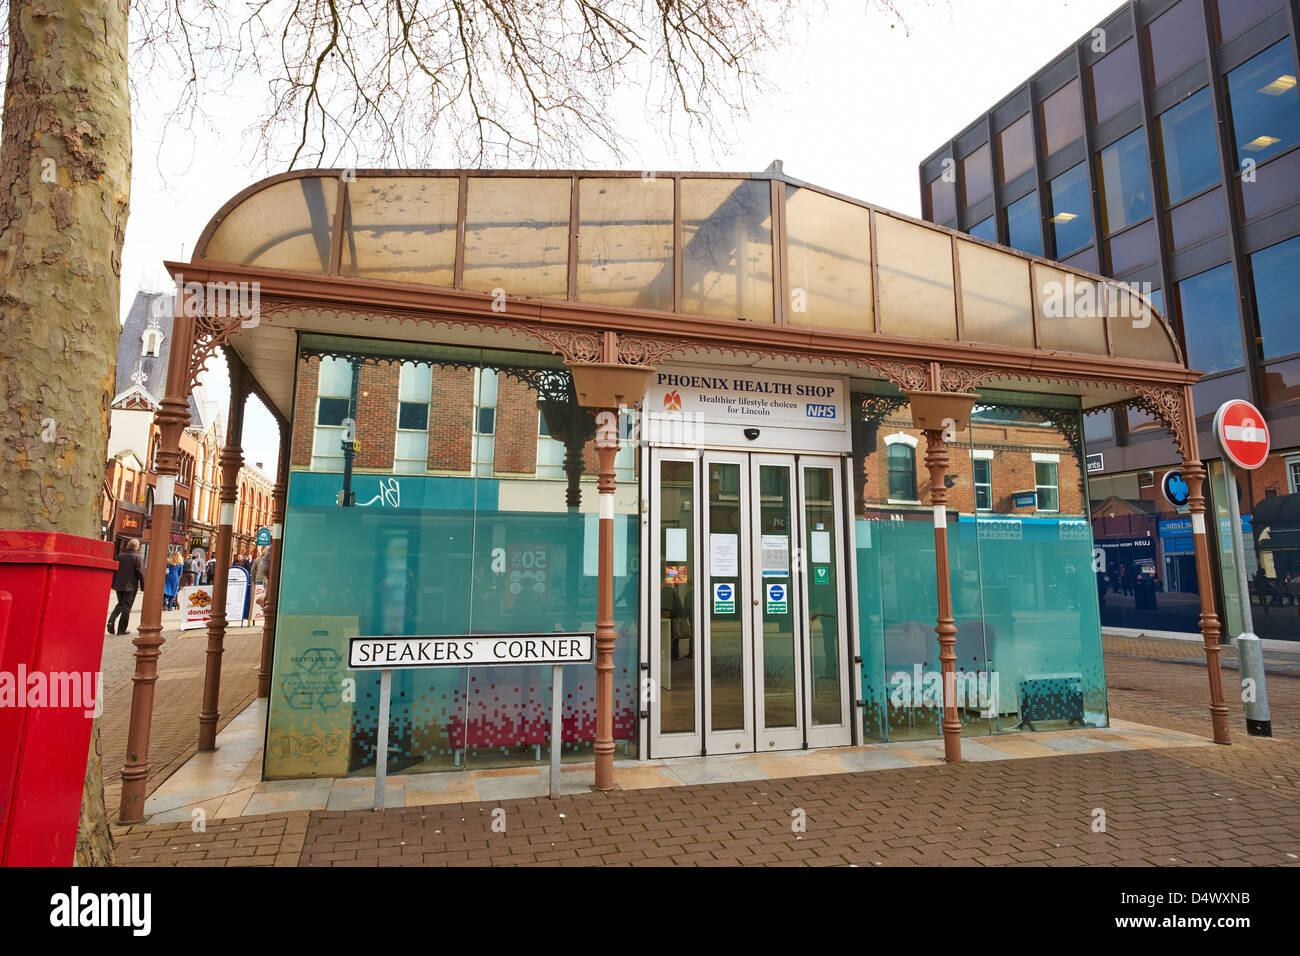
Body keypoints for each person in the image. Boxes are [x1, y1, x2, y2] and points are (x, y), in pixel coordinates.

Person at [107, 538, 145, 635]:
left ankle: (111, 621)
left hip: (119, 584)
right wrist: (144, 586)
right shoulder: (137, 557)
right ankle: (121, 629)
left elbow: (115, 569)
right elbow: (140, 573)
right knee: (127, 607)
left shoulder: (120, 556)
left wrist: (114, 583)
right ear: (137, 547)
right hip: (131, 586)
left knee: (120, 604)